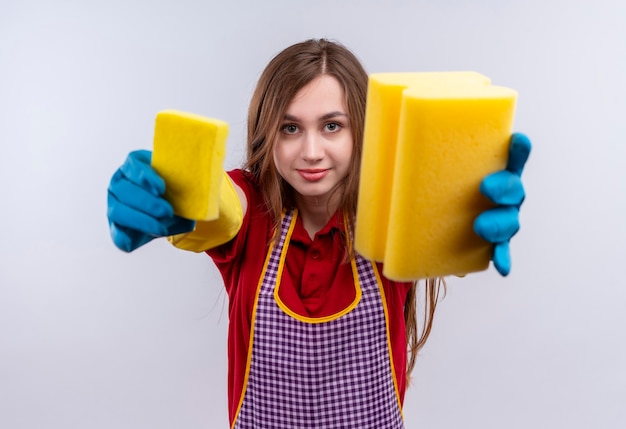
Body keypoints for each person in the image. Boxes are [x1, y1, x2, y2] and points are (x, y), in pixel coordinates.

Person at [107, 38, 530, 428]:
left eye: (332, 126)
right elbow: (221, 205)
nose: (311, 152)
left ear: (362, 131)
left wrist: (466, 215)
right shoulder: (253, 210)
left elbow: (438, 227)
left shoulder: (392, 213)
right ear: (267, 133)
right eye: (290, 128)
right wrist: (179, 192)